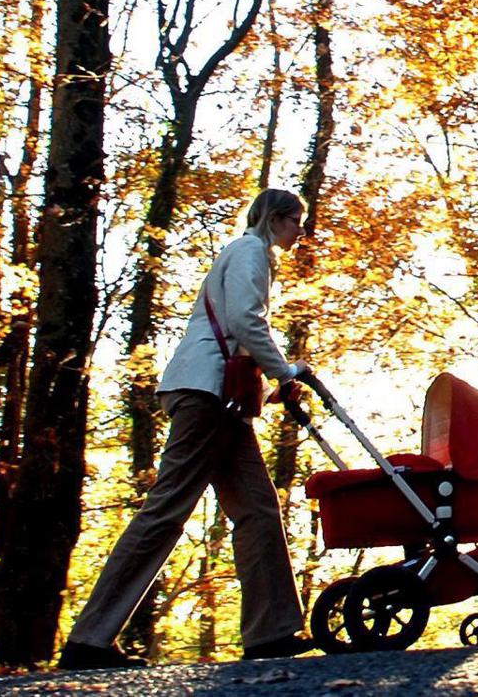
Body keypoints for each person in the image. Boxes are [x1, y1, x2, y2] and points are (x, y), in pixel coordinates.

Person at [58, 188, 317, 670]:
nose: (301, 230)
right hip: (205, 392)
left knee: (258, 510)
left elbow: (243, 325)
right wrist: (284, 371)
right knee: (167, 509)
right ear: (278, 218)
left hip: (222, 398)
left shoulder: (254, 256)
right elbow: (244, 318)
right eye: (297, 220)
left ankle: (272, 632)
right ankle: (89, 640)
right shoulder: (248, 251)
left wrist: (276, 374)